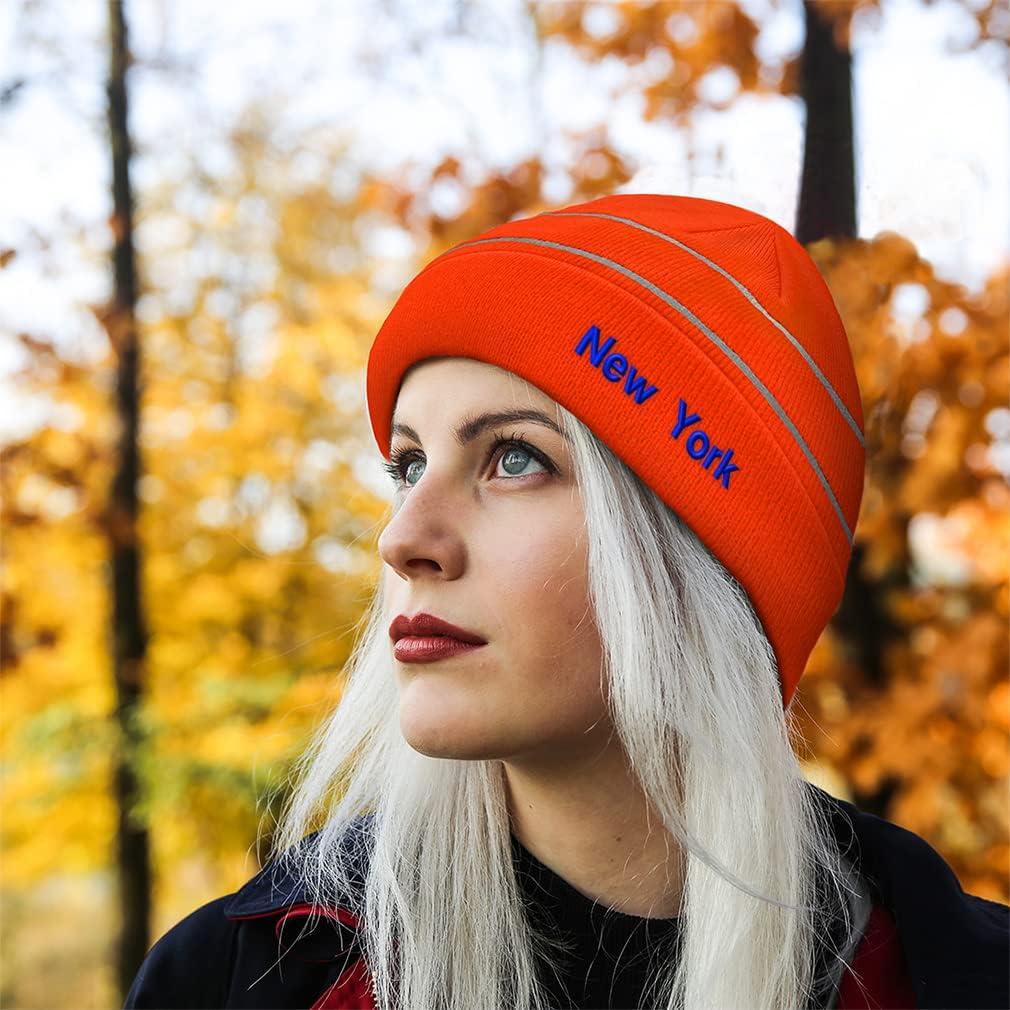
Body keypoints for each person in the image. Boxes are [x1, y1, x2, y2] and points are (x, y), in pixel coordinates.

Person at [124, 192, 1009, 1010]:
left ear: (700, 561)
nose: (403, 539)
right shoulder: (241, 978)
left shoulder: (951, 976)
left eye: (515, 459)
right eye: (409, 465)